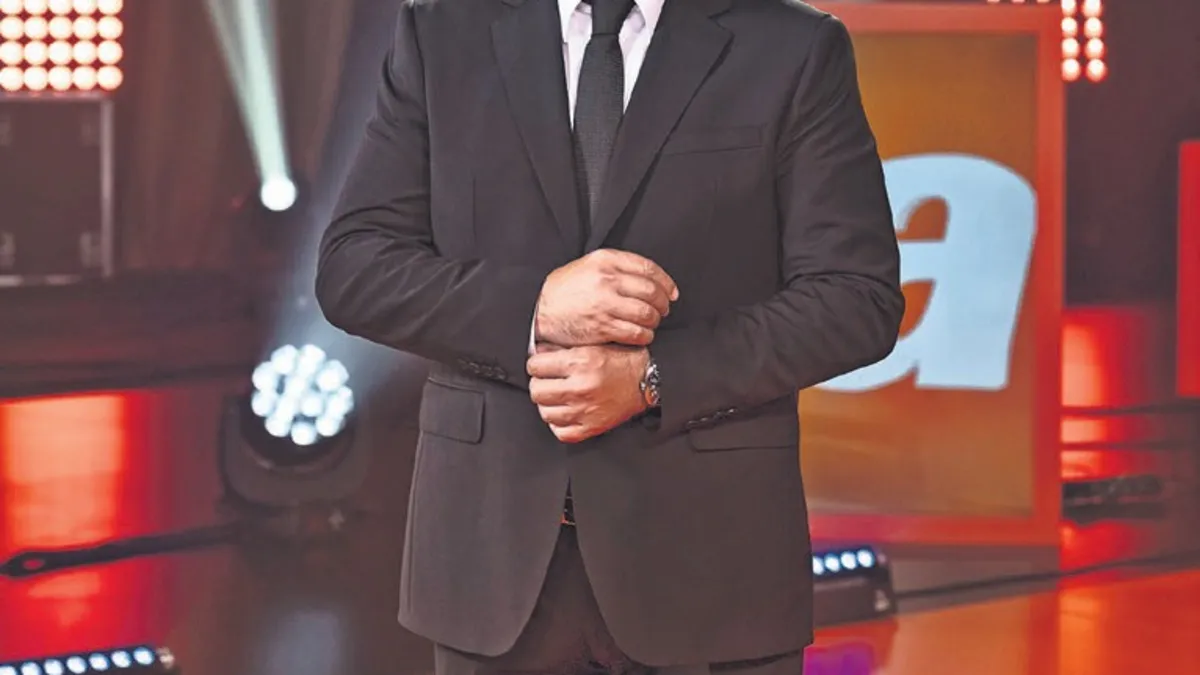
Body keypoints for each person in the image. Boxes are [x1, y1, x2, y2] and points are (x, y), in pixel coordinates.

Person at [315, 0, 904, 672]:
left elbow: (856, 297)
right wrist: (537, 308)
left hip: (713, 567)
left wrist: (656, 378)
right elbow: (355, 267)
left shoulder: (794, 46)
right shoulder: (441, 33)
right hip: (491, 567)